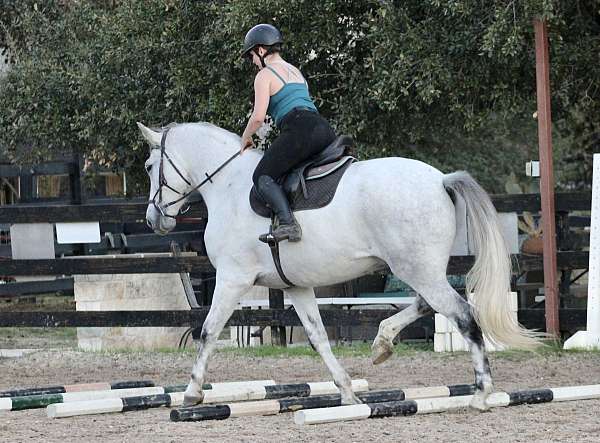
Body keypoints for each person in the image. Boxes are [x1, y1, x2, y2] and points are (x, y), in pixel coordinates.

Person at [240, 24, 336, 243]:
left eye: (252, 56)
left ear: (261, 50)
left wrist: (246, 137)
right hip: (323, 128)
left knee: (262, 176)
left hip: (300, 128)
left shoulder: (265, 75)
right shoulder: (296, 72)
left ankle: (288, 224)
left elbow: (257, 117)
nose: (253, 62)